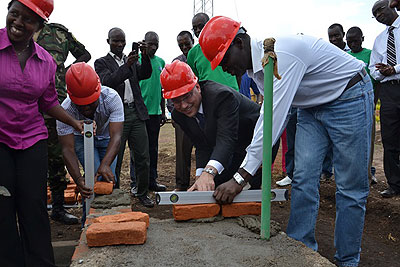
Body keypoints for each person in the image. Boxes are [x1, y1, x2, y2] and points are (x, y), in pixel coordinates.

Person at [199, 16, 373, 267]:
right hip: (312, 108)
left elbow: (271, 121)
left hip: (349, 97)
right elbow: (266, 117)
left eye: (224, 60)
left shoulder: (283, 55)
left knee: (349, 188)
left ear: (238, 43)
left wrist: (240, 178)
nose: (224, 68)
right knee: (302, 179)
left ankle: (347, 260)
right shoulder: (258, 69)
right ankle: (300, 251)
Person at [0, 0, 84, 265]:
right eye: (14, 14)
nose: (18, 23)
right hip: (0, 139)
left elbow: (47, 102)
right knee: (3, 206)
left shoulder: (46, 61)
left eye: (27, 19)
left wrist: (73, 122)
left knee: (33, 205)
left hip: (32, 138)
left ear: (38, 26)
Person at [160, 60, 260, 191]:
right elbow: (202, 145)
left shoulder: (221, 97)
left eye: (187, 96)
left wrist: (209, 173)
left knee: (236, 191)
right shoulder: (179, 115)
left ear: (197, 87)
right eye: (176, 101)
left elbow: (226, 139)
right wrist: (200, 177)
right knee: (215, 187)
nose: (184, 105)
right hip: (230, 147)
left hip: (255, 142)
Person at [34, 22, 91, 225]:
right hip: (25, 106)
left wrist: (65, 71)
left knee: (57, 158)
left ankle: (57, 209)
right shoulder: (19, 31)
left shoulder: (60, 34)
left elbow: (84, 54)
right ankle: (34, 211)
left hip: (54, 104)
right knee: (30, 160)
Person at [94, 27, 154, 208]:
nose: (120, 44)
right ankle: (116, 193)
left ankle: (142, 192)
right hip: (116, 116)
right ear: (108, 41)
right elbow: (108, 82)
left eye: (122, 41)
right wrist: (127, 66)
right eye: (116, 41)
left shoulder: (132, 61)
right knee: (115, 159)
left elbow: (146, 74)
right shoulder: (101, 62)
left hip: (135, 113)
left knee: (143, 156)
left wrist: (144, 56)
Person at [57, 62, 123, 200]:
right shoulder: (65, 110)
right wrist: (78, 179)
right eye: (81, 104)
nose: (86, 109)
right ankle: (88, 219)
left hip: (107, 139)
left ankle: (110, 217)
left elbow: (116, 136)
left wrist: (105, 165)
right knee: (91, 180)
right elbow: (67, 149)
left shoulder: (112, 98)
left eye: (91, 102)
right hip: (80, 138)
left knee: (107, 179)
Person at [369, 0, 400, 198]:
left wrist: (394, 69)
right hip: (388, 93)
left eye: (380, 9)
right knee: (389, 141)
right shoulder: (379, 40)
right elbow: (373, 69)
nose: (379, 15)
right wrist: (384, 72)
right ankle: (395, 184)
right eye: (375, 14)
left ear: (391, 5)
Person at [346, 26, 378, 185]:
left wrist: (373, 103)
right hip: (349, 106)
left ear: (362, 39)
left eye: (355, 41)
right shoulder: (346, 56)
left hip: (367, 103)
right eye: (349, 41)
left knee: (367, 141)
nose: (353, 44)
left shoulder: (370, 55)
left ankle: (367, 174)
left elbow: (376, 81)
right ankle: (352, 175)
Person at [138, 31, 167, 192]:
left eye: (156, 44)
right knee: (140, 150)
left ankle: (152, 180)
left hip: (155, 113)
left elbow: (162, 89)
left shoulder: (161, 62)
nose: (153, 47)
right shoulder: (138, 61)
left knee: (153, 149)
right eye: (150, 44)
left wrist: (162, 111)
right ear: (144, 43)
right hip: (140, 114)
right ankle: (138, 182)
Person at [167, 30, 195, 191]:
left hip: (202, 113)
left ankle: (208, 182)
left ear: (193, 41)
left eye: (187, 44)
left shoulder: (201, 58)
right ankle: (181, 185)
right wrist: (174, 113)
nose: (184, 47)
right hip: (183, 115)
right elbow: (169, 89)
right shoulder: (176, 63)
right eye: (181, 45)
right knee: (182, 151)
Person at [187, 13, 239, 91]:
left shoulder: (224, 42)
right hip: (209, 96)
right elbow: (195, 78)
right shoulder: (192, 54)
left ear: (209, 24)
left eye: (201, 26)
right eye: (194, 28)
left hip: (232, 92)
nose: (198, 30)